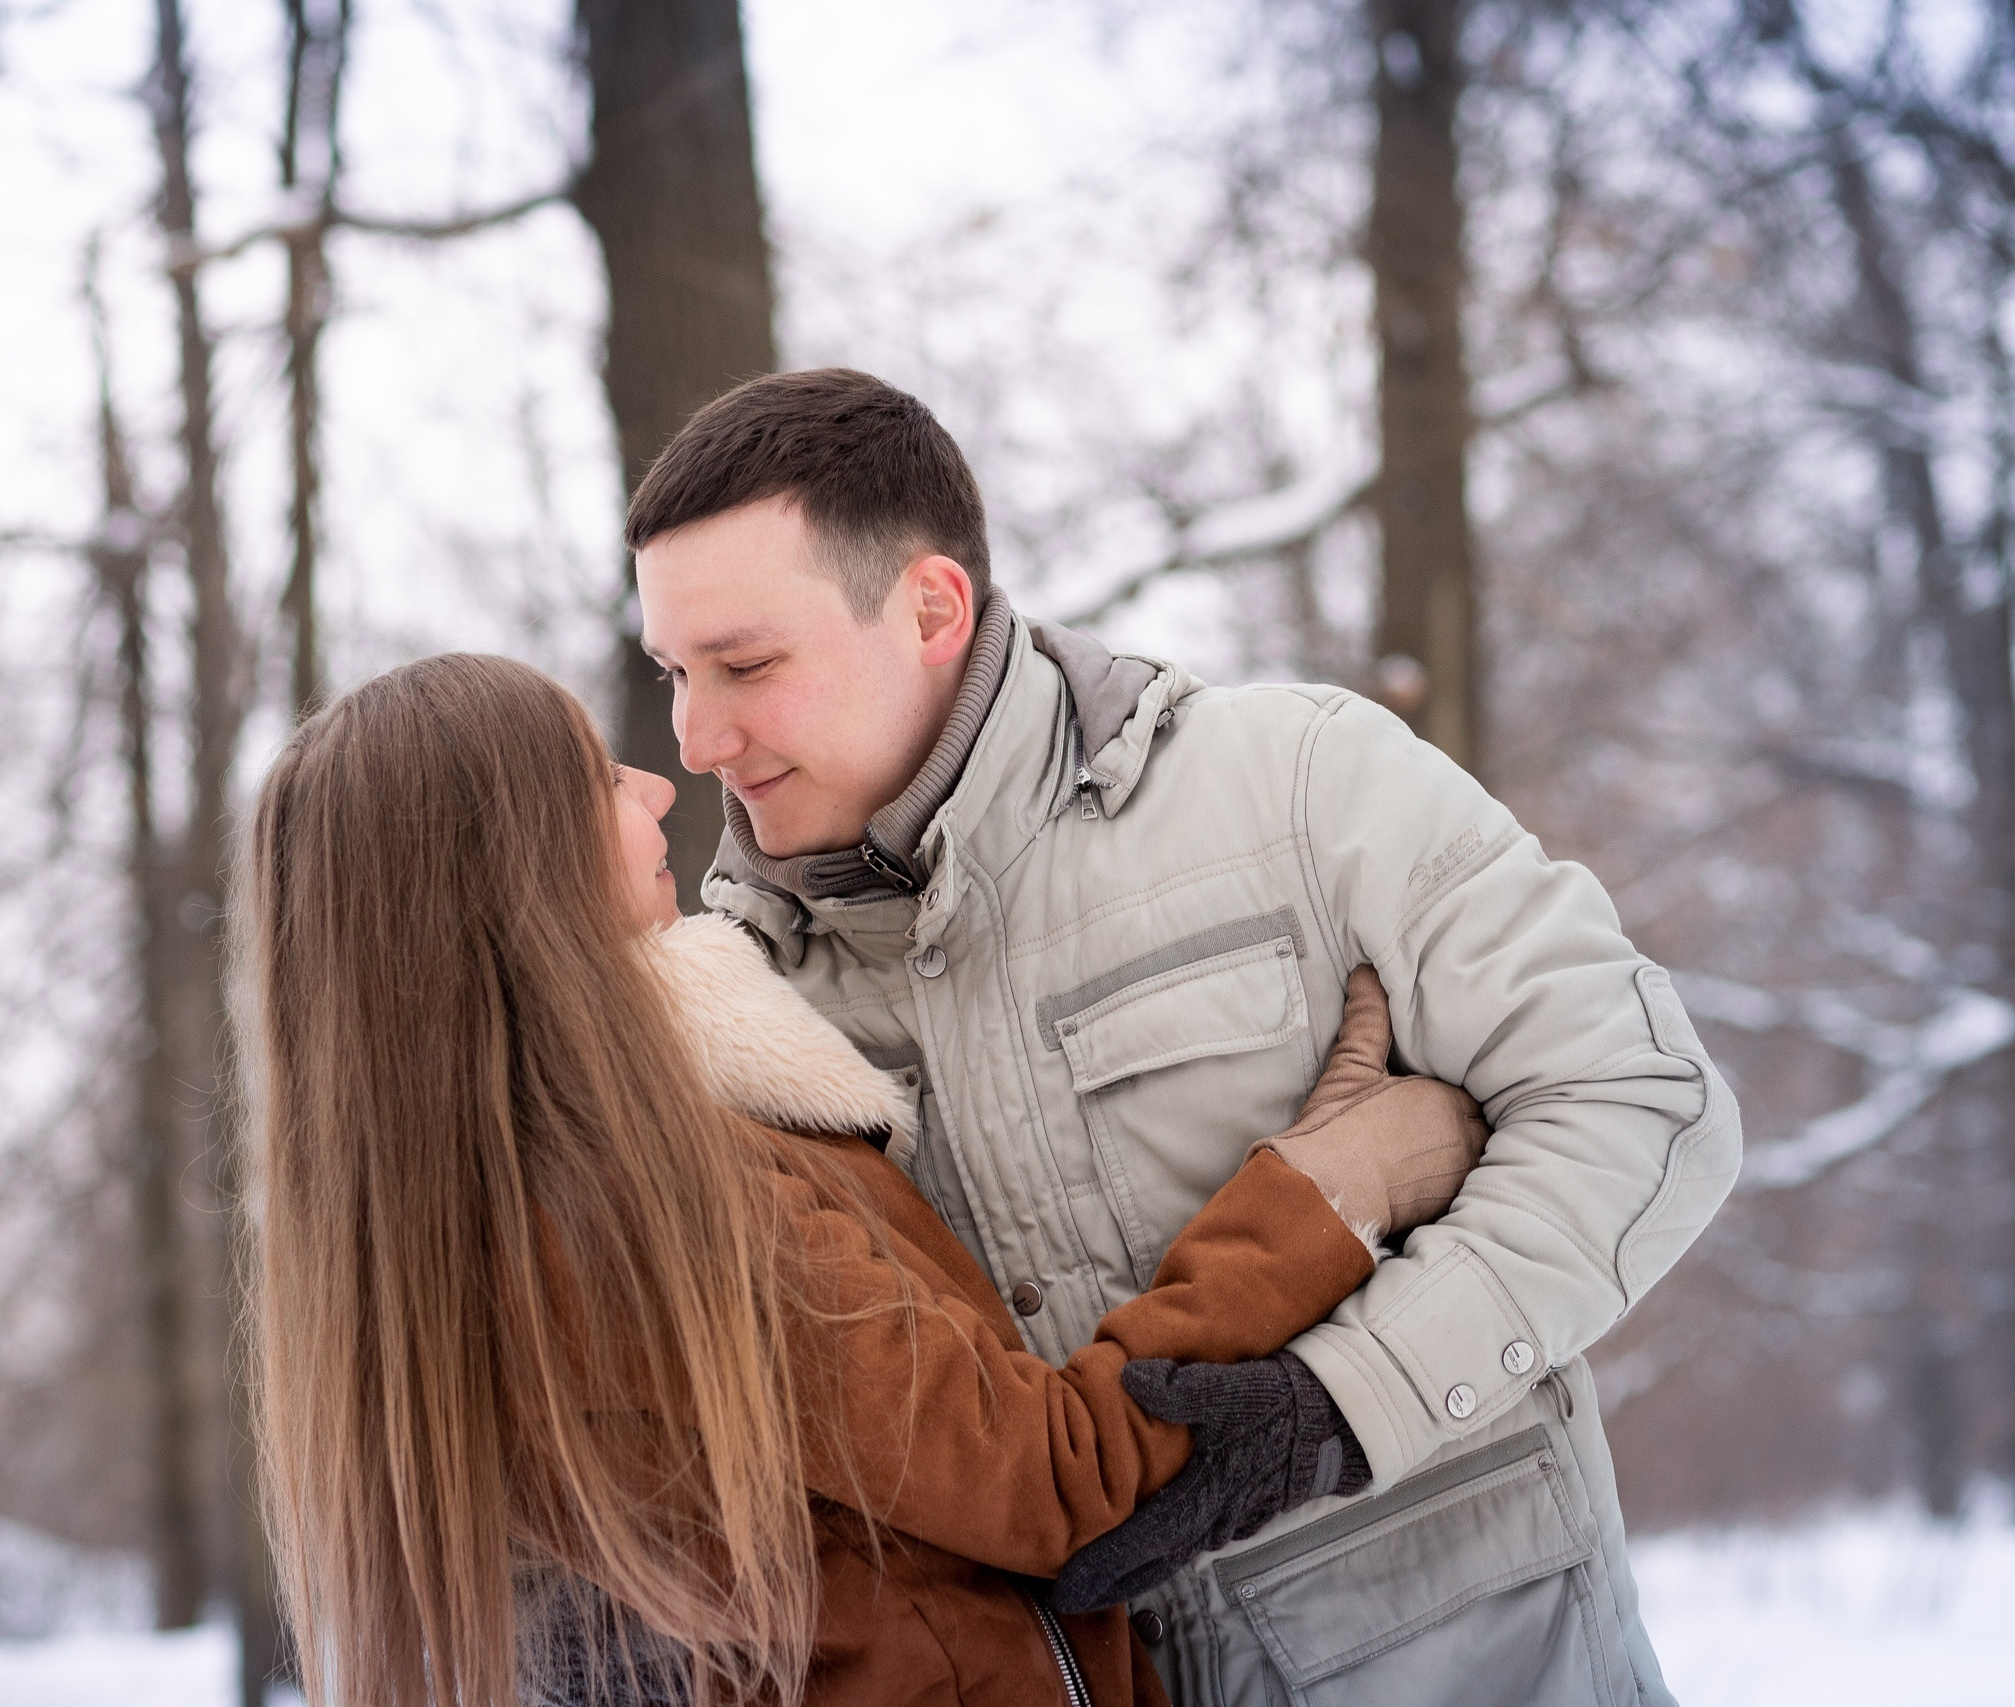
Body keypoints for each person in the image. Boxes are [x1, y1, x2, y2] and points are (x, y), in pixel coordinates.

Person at [629, 368, 1743, 1706]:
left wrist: (1343, 1402)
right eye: (673, 674)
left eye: (745, 665)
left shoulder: (1297, 783)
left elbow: (1645, 1101)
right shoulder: (741, 1013)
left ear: (930, 607)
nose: (695, 737)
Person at [233, 652, 1490, 1707]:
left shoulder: (449, 1233)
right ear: (508, 876)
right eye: (585, 777)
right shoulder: (648, 1209)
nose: (652, 784)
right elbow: (1051, 1478)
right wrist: (1326, 1190)